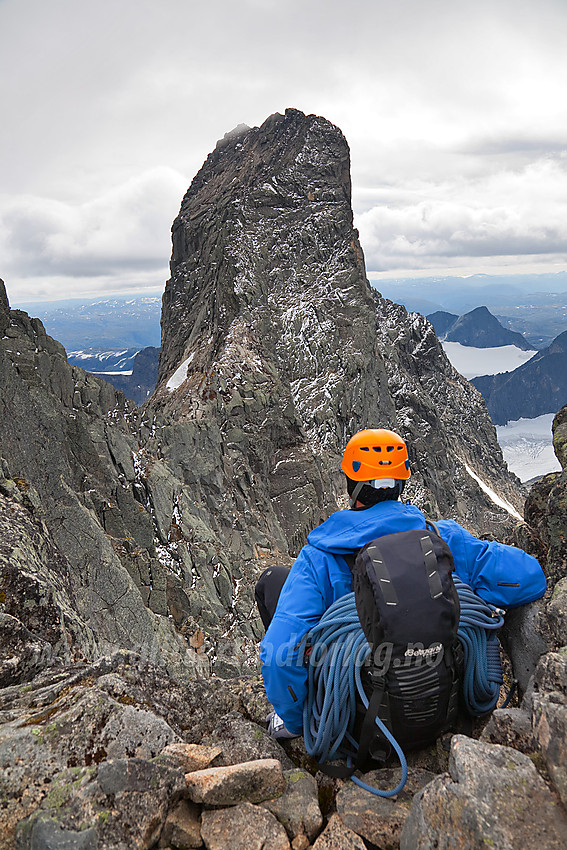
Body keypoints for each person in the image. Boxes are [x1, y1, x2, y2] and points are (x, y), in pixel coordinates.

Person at [257, 428, 547, 739]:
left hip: (358, 726)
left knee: (272, 582)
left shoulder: (319, 559)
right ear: (402, 483)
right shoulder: (441, 538)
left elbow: (277, 655)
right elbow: (529, 577)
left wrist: (301, 723)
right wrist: (471, 591)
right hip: (442, 707)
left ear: (350, 486)